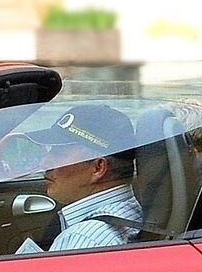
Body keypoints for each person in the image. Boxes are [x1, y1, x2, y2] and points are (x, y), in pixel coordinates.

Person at [9, 104, 145, 253]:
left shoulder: (83, 239)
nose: (44, 163)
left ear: (98, 168)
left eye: (59, 153)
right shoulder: (132, 210)